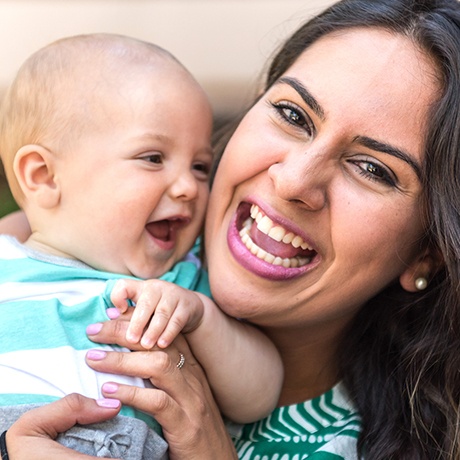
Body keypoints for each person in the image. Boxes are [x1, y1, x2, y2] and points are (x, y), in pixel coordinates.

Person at [3, 0, 460, 458]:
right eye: (294, 115)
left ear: (427, 252)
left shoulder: (341, 446)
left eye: (372, 168)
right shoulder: (136, 241)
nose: (294, 181)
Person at [0, 33, 283, 459]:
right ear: (43, 176)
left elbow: (258, 395)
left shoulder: (178, 285)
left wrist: (200, 316)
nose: (188, 186)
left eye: (201, 166)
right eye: (153, 158)